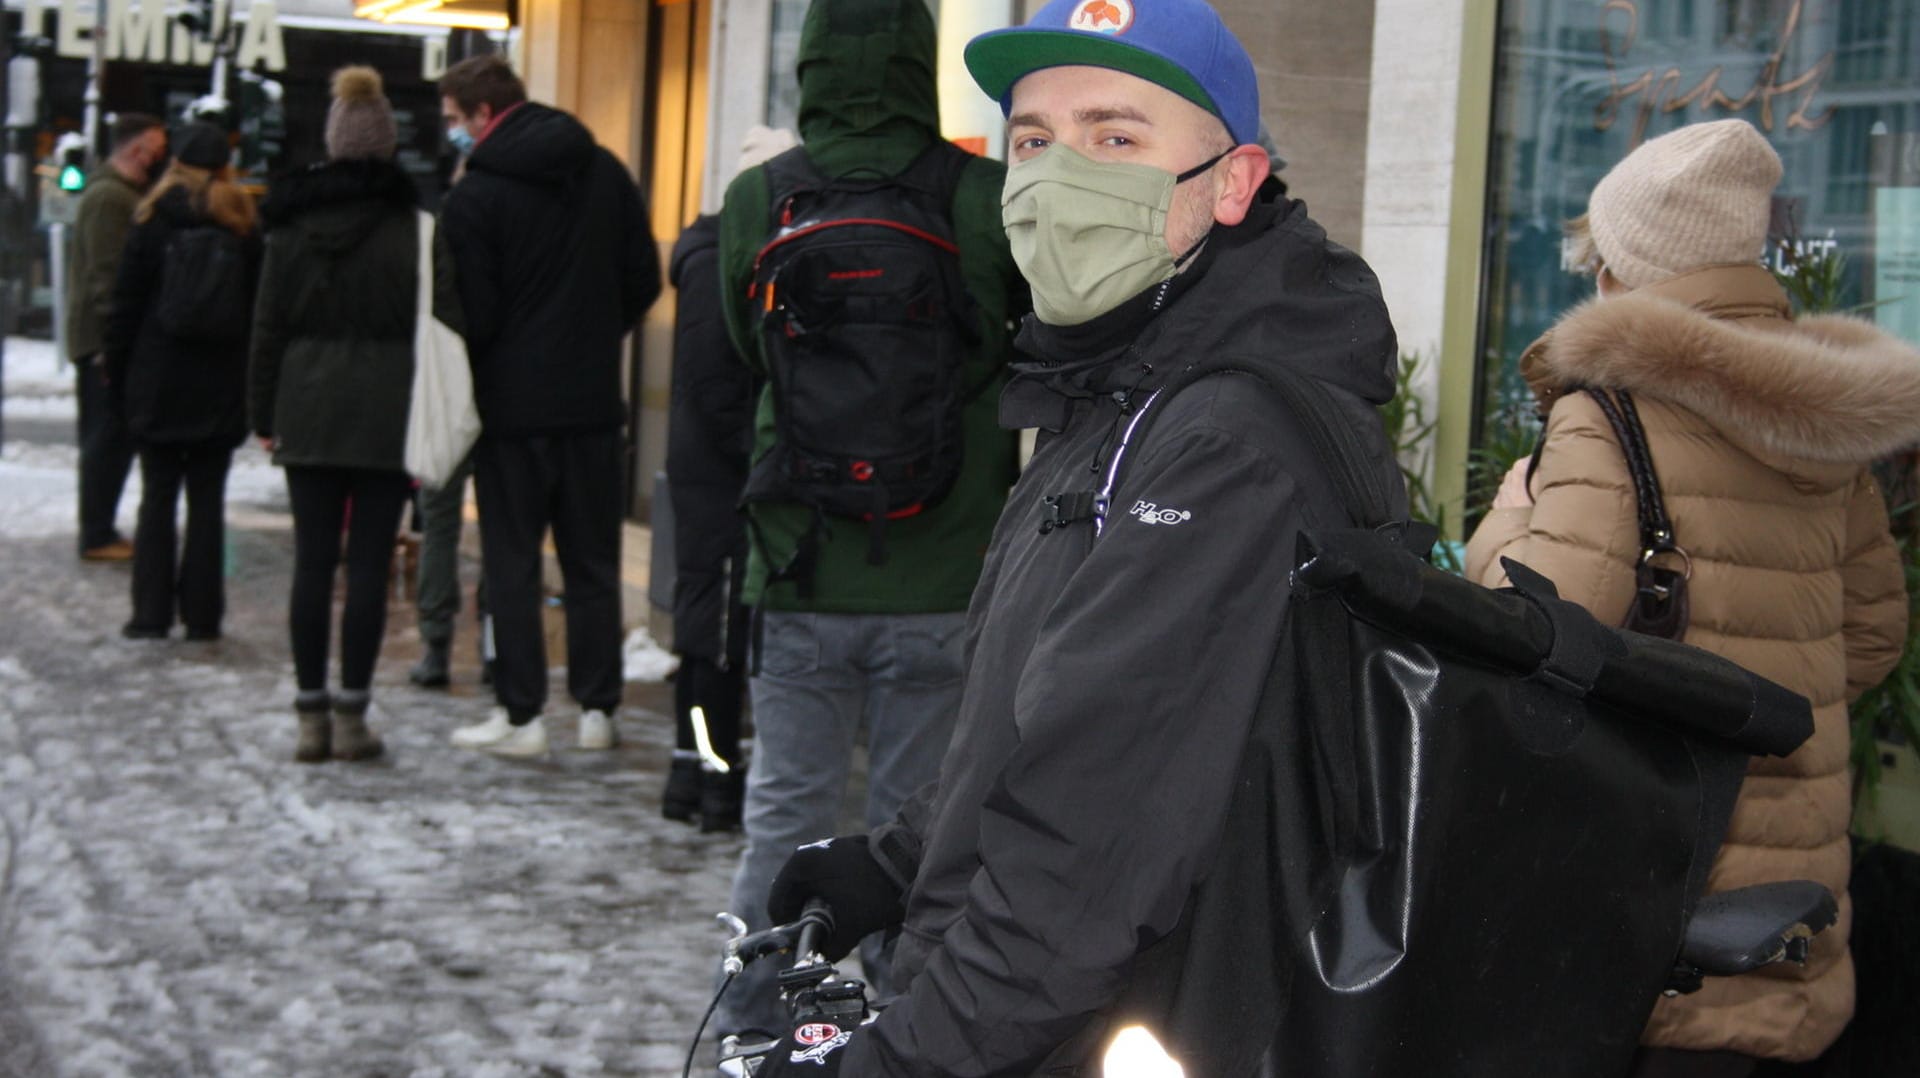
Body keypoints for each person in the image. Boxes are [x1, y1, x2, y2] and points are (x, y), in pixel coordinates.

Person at [744, 0, 1405, 1073]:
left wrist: (899, 1058)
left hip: (1096, 1028)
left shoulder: (1224, 443)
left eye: (1116, 136)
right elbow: (1044, 716)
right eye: (1034, 141)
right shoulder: (1117, 391)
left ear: (1232, 183)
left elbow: (1089, 868)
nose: (1058, 175)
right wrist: (901, 857)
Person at [1465, 119, 1920, 1077]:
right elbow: (1874, 638)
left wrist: (1507, 520)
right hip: (1790, 890)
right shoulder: (1826, 414)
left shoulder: (1610, 408)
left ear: (1625, 260)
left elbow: (1543, 632)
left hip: (1654, 881)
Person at [708, 0, 1028, 1044]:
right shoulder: (980, 194)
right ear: (916, 61)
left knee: (784, 824)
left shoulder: (764, 193)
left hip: (798, 562)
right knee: (917, 847)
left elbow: (750, 351)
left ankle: (753, 1035)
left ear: (807, 62)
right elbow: (1003, 355)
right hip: (944, 572)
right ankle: (899, 1039)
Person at [436, 55, 662, 757]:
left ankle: (522, 714)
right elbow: (643, 279)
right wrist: (594, 337)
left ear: (481, 114)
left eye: (452, 121)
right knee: (592, 563)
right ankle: (599, 711)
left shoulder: (475, 197)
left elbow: (470, 311)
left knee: (512, 563)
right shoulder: (604, 171)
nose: (452, 135)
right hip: (593, 406)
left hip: (511, 414)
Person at [251, 67, 461, 762]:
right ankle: (352, 715)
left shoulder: (290, 228)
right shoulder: (417, 231)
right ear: (388, 148)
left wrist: (262, 412)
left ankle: (308, 716)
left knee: (313, 565)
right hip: (387, 414)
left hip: (306, 409)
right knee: (369, 567)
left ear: (334, 143)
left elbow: (268, 329)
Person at [662, 125, 799, 833]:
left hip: (711, 467)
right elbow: (721, 386)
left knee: (710, 629)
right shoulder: (722, 260)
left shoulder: (715, 253)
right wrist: (767, 456)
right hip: (722, 474)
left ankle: (695, 773)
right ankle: (710, 778)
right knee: (716, 632)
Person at [106, 122, 260, 642]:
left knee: (158, 499)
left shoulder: (152, 219)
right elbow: (259, 312)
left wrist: (119, 374)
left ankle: (149, 614)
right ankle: (203, 615)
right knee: (207, 501)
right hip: (220, 383)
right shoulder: (242, 225)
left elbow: (124, 305)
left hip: (158, 378)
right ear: (224, 168)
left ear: (176, 164)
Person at [67, 112, 167, 562]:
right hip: (102, 342)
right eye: (156, 147)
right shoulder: (110, 198)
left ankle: (100, 528)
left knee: (112, 436)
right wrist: (113, 343)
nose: (161, 156)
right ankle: (97, 532)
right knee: (106, 437)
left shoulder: (120, 194)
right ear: (136, 149)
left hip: (106, 339)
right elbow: (106, 274)